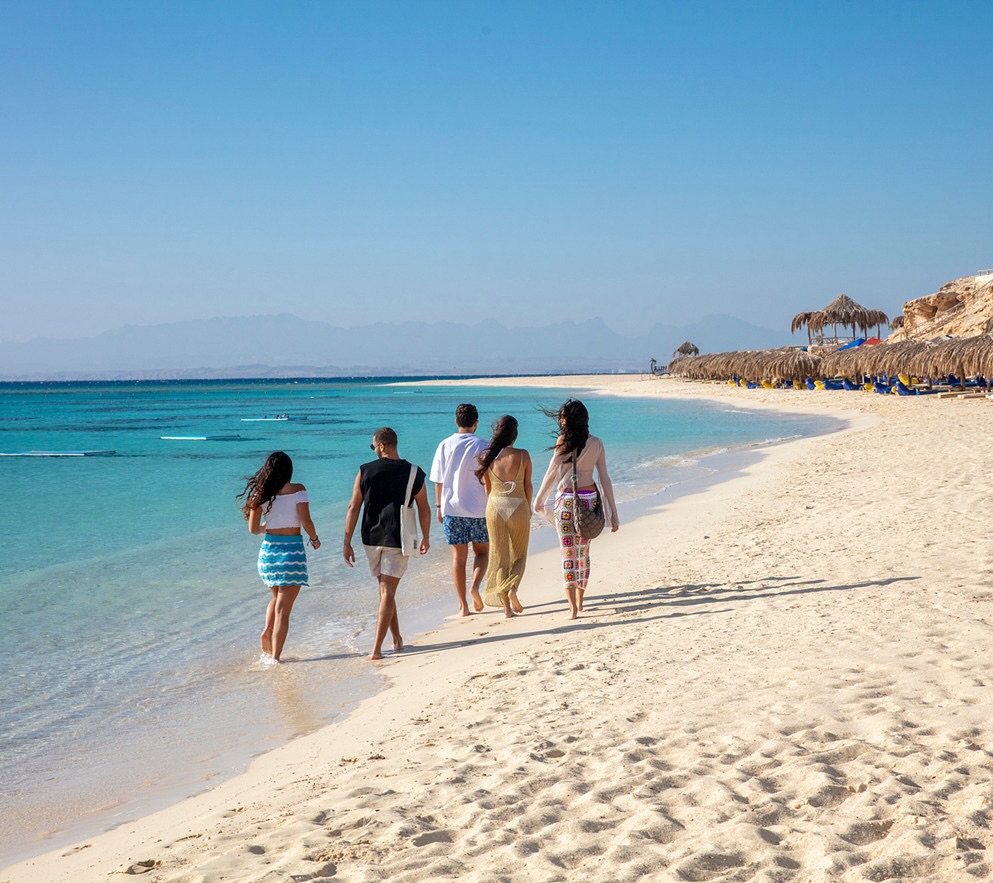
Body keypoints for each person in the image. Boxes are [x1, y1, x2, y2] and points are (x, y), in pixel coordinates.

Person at [343, 427, 431, 660]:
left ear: (381, 446)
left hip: (370, 539)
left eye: (373, 446)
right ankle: (376, 650)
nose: (374, 450)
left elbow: (353, 507)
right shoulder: (414, 472)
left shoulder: (365, 470)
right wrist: (426, 536)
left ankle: (397, 639)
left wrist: (347, 541)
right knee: (388, 591)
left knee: (385, 591)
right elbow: (424, 507)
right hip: (397, 537)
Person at [533, 399, 619, 619]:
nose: (560, 420)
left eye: (563, 416)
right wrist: (613, 513)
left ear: (568, 420)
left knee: (568, 554)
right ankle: (580, 602)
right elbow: (605, 479)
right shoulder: (597, 443)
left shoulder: (563, 442)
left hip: (565, 503)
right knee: (583, 553)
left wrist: (539, 499)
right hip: (588, 502)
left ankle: (571, 608)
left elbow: (551, 473)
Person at [238, 451, 320, 663]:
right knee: (284, 610)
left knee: (277, 598)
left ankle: (267, 630)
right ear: (289, 470)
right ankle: (276, 658)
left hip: (268, 554)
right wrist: (314, 539)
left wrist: (268, 526)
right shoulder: (298, 490)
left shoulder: (260, 493)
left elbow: (253, 529)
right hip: (291, 553)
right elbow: (306, 521)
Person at [429, 403, 490, 616]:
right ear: (476, 423)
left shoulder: (444, 445)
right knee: (482, 553)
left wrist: (439, 507)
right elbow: (490, 479)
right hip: (479, 509)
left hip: (452, 509)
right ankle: (475, 586)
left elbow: (438, 480)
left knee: (458, 558)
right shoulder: (484, 445)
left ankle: (463, 606)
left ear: (456, 421)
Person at [475, 415, 532, 619]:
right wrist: (528, 508)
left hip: (495, 508)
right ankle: (513, 588)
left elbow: (488, 491)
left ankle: (507, 609)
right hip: (518, 507)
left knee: (500, 557)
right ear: (515, 435)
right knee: (520, 554)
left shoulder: (487, 457)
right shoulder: (523, 455)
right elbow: (527, 486)